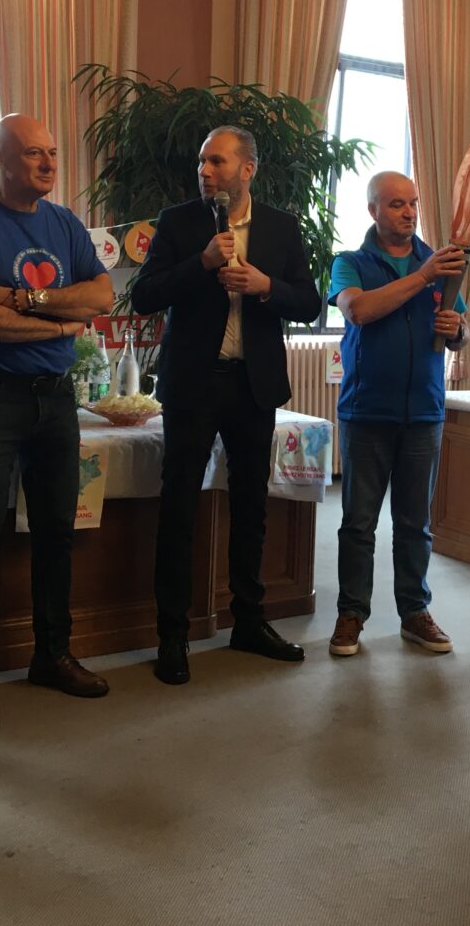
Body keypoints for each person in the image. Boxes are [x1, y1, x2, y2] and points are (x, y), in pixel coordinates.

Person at [0, 114, 115, 726]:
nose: (48, 163)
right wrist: (61, 326)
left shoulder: (64, 223)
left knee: (57, 532)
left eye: (52, 153)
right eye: (34, 153)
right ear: (1, 159)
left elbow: (102, 296)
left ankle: (52, 656)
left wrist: (24, 299)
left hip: (55, 398)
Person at [131, 125, 322, 685]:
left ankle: (249, 622)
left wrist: (266, 285)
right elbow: (144, 296)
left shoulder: (282, 228)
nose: (205, 171)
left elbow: (309, 303)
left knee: (251, 507)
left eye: (216, 161)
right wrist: (202, 262)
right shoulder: (178, 223)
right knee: (179, 508)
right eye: (201, 162)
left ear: (247, 169)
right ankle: (173, 634)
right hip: (193, 384)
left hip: (252, 386)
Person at [326, 172, 469, 658]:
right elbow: (359, 311)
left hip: (424, 413)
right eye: (396, 204)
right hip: (367, 412)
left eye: (413, 203)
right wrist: (423, 277)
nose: (409, 213)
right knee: (358, 523)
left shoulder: (440, 263)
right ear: (373, 210)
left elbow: (460, 330)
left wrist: (457, 330)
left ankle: (414, 612)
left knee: (415, 524)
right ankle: (351, 614)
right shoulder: (350, 263)